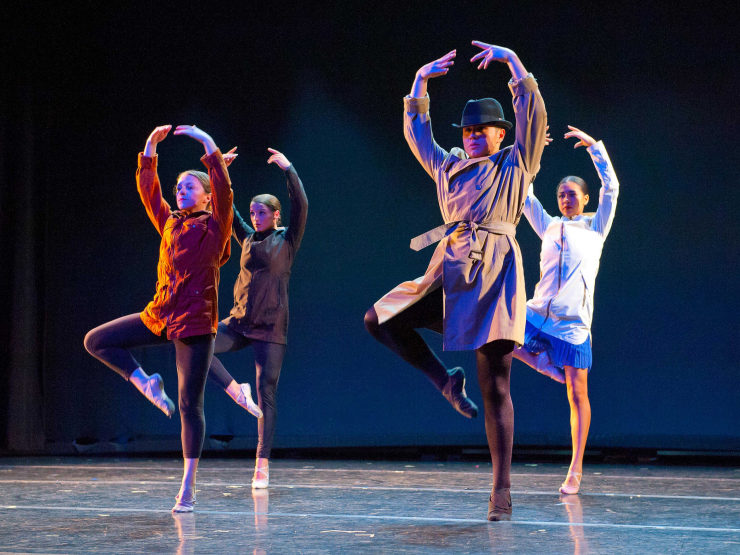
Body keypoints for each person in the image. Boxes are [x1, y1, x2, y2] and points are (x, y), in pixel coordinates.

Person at [364, 41, 547, 520]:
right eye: (465, 130)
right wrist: (419, 85)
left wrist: (513, 63)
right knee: (379, 319)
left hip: (496, 277)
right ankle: (445, 383)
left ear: (498, 132)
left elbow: (533, 117)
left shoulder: (515, 164)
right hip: (449, 269)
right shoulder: (446, 167)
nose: (469, 137)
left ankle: (501, 490)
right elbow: (417, 135)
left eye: (479, 130)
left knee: (496, 388)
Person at [84, 124, 234, 513]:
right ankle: (146, 382)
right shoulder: (169, 221)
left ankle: (188, 485)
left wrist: (207, 143)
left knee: (188, 404)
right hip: (160, 314)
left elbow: (225, 194)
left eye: (189, 186)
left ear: (204, 195)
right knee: (97, 341)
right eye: (178, 186)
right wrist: (150, 146)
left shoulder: (216, 227)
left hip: (197, 323)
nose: (180, 190)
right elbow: (149, 191)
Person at [514, 126, 619, 495]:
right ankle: (544, 364)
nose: (565, 199)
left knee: (577, 393)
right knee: (496, 334)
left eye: (571, 194)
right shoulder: (549, 225)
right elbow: (525, 197)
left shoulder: (596, 227)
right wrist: (531, 156)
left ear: (585, 199)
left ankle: (575, 469)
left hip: (573, 325)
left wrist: (595, 148)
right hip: (538, 314)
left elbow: (612, 188)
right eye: (560, 194)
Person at [206, 148, 308, 490]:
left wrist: (289, 169)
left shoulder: (287, 240)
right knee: (197, 345)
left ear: (276, 216)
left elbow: (302, 207)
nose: (255, 217)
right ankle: (236, 391)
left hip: (270, 326)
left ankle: (261, 463)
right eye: (253, 212)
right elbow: (227, 208)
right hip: (238, 322)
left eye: (261, 212)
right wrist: (220, 172)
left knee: (267, 390)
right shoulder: (247, 237)